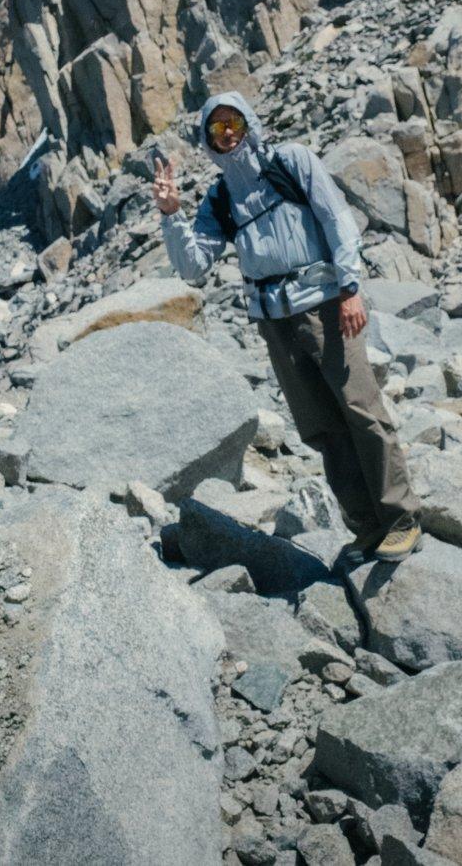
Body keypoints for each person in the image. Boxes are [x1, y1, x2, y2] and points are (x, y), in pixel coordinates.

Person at [151, 90, 423, 563]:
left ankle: (400, 517)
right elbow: (194, 267)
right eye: (217, 129)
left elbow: (335, 218)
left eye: (233, 121)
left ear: (248, 121)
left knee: (361, 408)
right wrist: (173, 214)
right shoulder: (220, 200)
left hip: (326, 306)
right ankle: (366, 528)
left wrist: (351, 286)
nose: (228, 132)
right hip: (275, 323)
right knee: (321, 427)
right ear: (209, 142)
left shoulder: (291, 162)